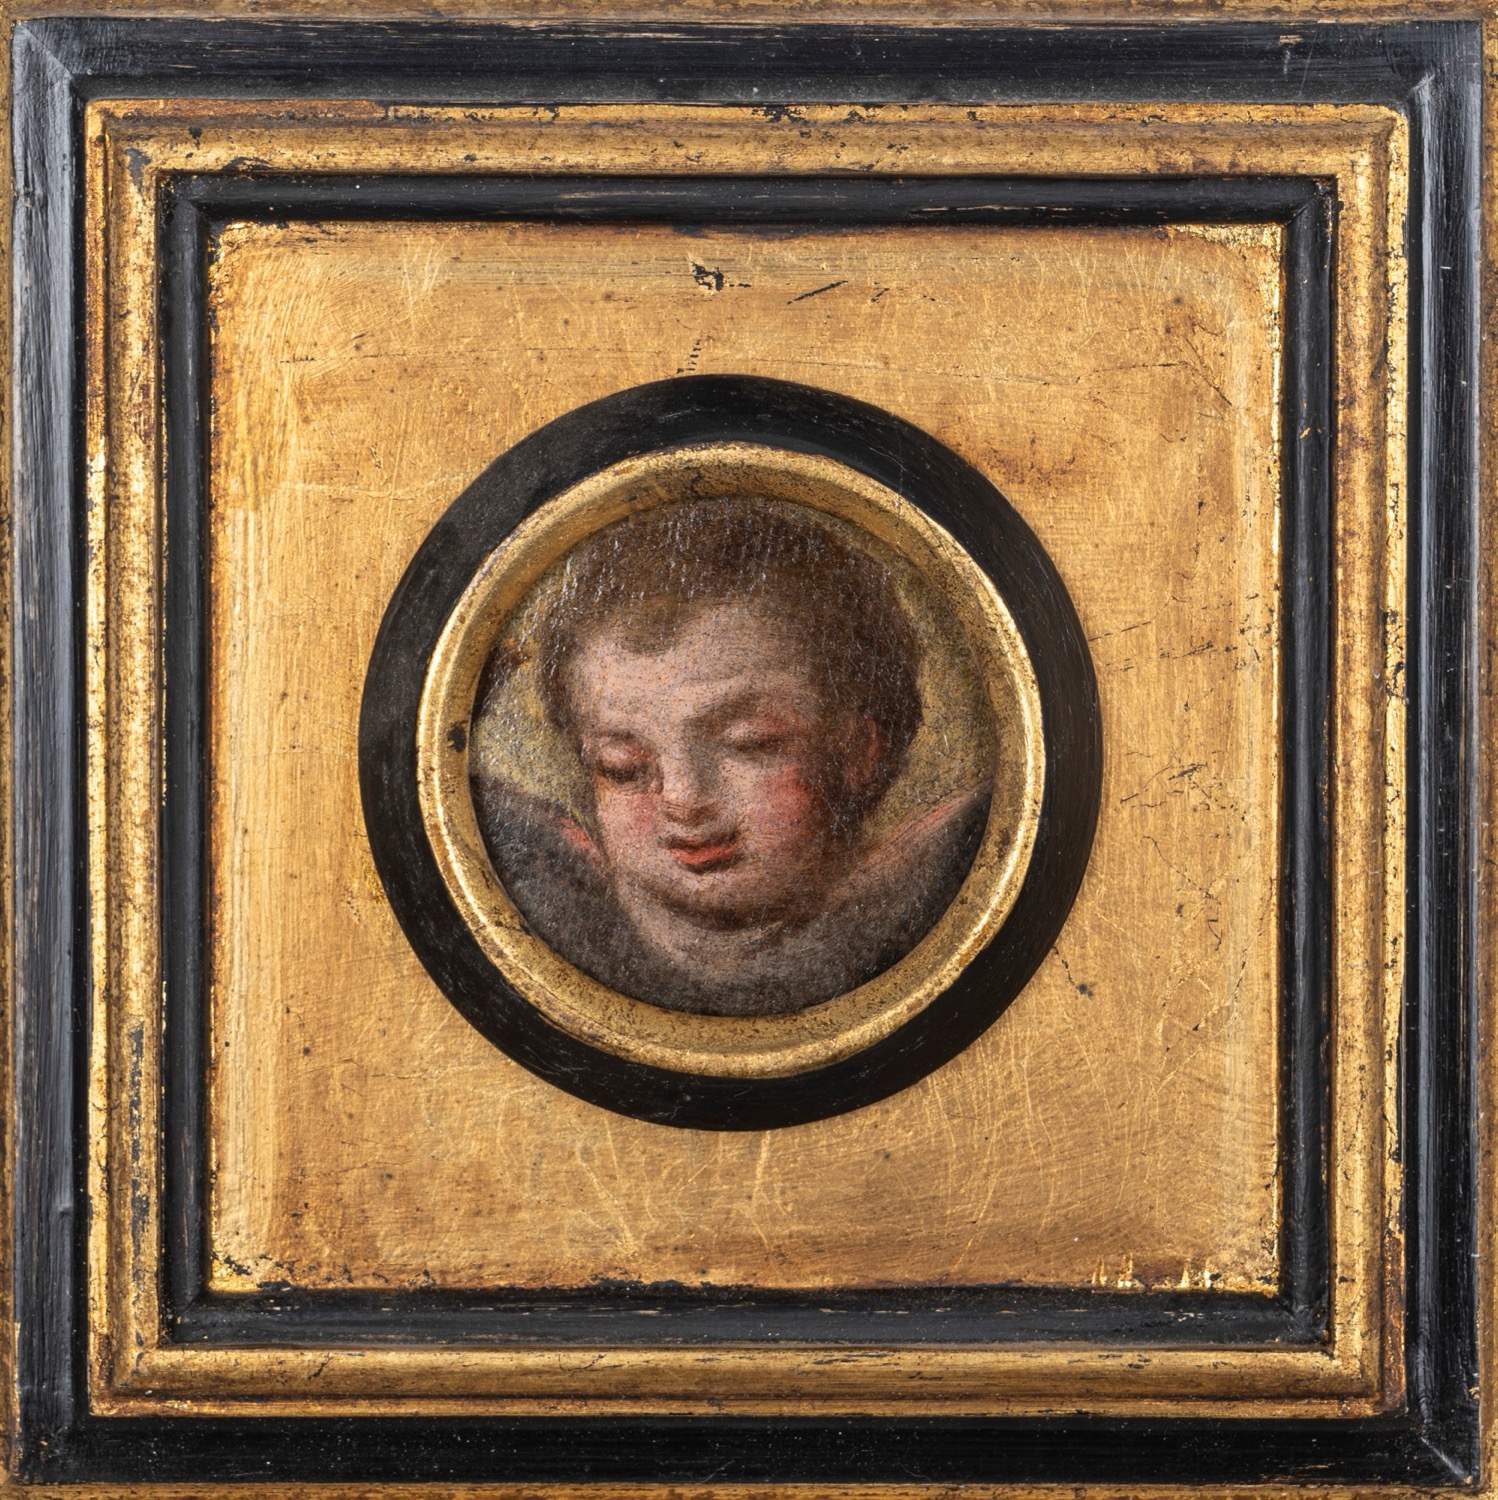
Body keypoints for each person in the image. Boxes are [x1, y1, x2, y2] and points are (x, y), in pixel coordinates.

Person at [471, 495, 992, 1017]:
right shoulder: (535, 890)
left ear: (858, 751)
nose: (684, 800)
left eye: (750, 745)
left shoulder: (947, 884)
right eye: (623, 768)